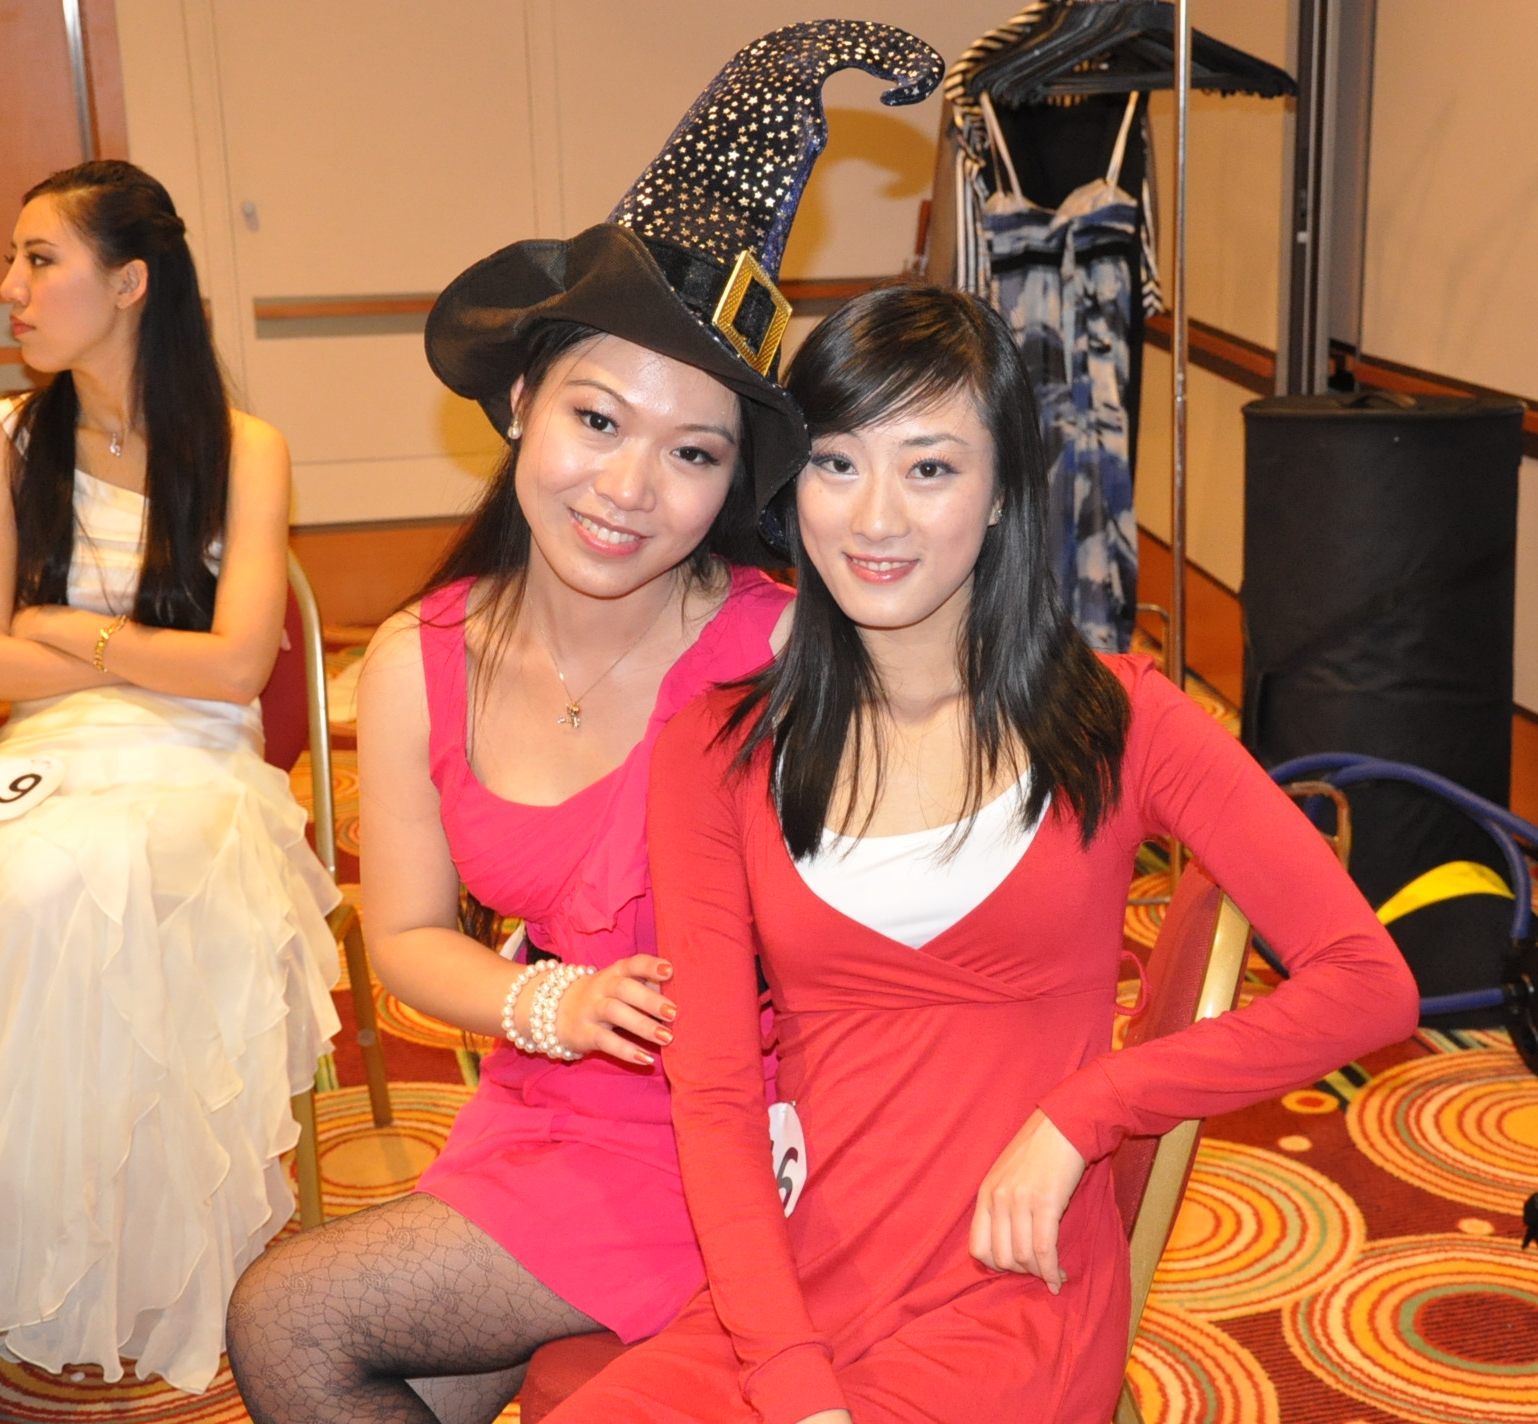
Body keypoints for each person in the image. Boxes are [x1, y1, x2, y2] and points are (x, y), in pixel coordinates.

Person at [222, 24, 944, 1424]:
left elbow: (914, 933)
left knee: (288, 1315)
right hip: (543, 1109)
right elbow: (407, 938)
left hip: (737, 1135)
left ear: (732, 482)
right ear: (519, 403)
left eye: (692, 451)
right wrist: (549, 1001)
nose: (628, 487)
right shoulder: (417, 660)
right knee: (388, 1378)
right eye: (599, 421)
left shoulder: (781, 650)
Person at [546, 284, 1422, 1424]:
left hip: (1009, 1287)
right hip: (794, 1285)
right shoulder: (716, 750)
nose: (874, 518)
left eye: (928, 467)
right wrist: (791, 1378)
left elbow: (1368, 983)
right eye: (836, 463)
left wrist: (1091, 1105)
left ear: (1003, 489)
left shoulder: (1119, 720)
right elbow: (712, 1097)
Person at [0, 159, 341, 1393]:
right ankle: (16, 1241)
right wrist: (154, 653)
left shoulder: (245, 449)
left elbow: (240, 665)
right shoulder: (0, 436)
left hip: (200, 763)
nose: (10, 287)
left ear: (130, 282)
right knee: (24, 892)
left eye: (39, 259)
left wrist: (66, 629)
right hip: (52, 753)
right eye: (14, 260)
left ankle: (133, 1247)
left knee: (116, 877)